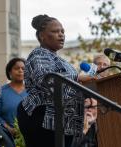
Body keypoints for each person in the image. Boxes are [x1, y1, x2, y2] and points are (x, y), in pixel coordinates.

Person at [17, 14, 84, 147]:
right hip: (41, 116)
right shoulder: (38, 55)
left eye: (62, 31)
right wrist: (80, 78)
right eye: (55, 31)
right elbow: (48, 80)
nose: (61, 35)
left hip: (62, 118)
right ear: (42, 36)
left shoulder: (57, 58)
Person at [0, 57, 28, 136]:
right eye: (16, 68)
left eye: (23, 69)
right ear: (10, 72)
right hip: (8, 135)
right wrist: (9, 129)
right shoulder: (1, 91)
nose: (20, 71)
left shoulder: (33, 91)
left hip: (30, 135)